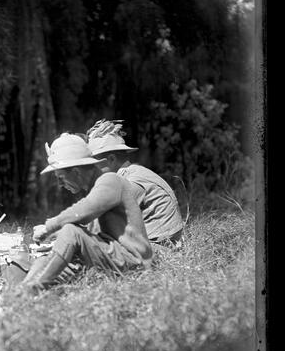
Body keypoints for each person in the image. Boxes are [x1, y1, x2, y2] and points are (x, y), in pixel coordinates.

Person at [17, 133, 153, 295]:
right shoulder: (95, 188)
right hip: (114, 259)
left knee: (70, 231)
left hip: (134, 262)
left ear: (76, 172)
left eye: (61, 178)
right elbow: (88, 231)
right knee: (42, 262)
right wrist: (55, 236)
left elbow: (83, 211)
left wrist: (49, 227)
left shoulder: (110, 181)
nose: (60, 184)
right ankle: (19, 295)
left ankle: (32, 290)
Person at [86, 119, 184, 247]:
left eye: (95, 164)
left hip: (159, 248)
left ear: (111, 159)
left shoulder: (131, 181)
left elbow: (101, 222)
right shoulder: (135, 173)